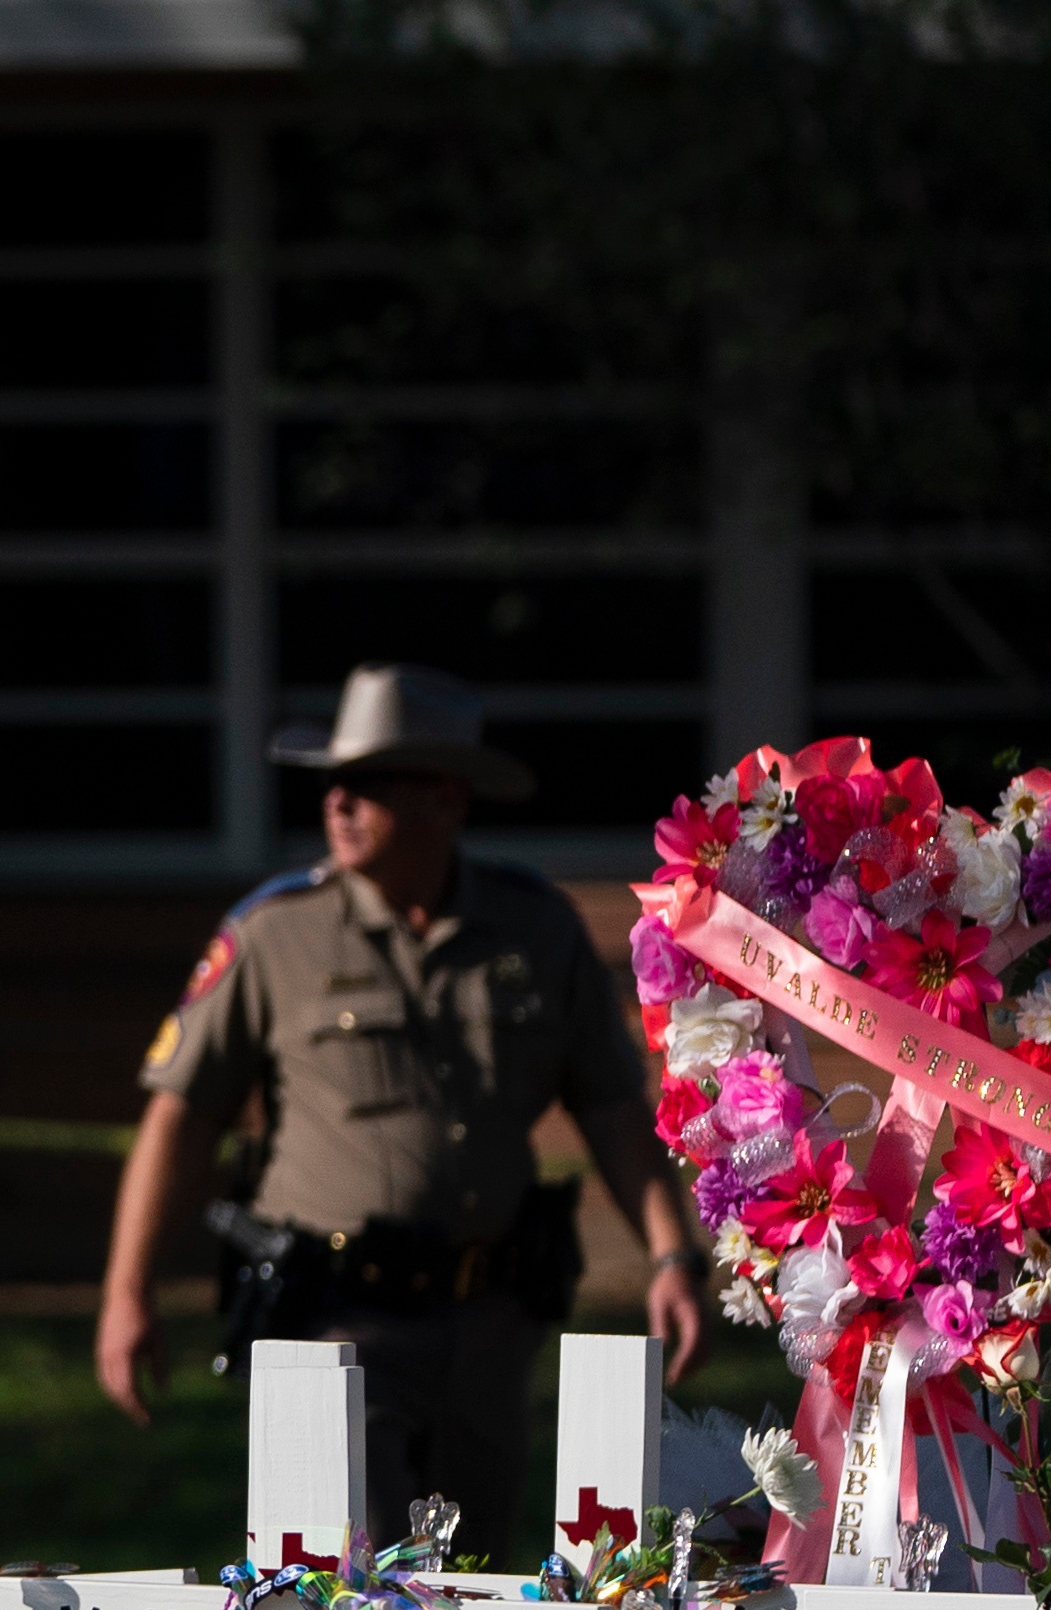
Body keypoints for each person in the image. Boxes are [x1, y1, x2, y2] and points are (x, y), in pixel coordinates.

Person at [94, 662, 706, 1551]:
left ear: (447, 798)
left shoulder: (534, 929)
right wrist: (126, 1292)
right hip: (329, 1317)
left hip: (489, 1317)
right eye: (333, 783)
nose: (339, 803)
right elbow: (181, 1115)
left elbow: (611, 1107)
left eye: (372, 782)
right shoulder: (275, 933)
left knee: (481, 1588)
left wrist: (671, 1253)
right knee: (344, 1585)